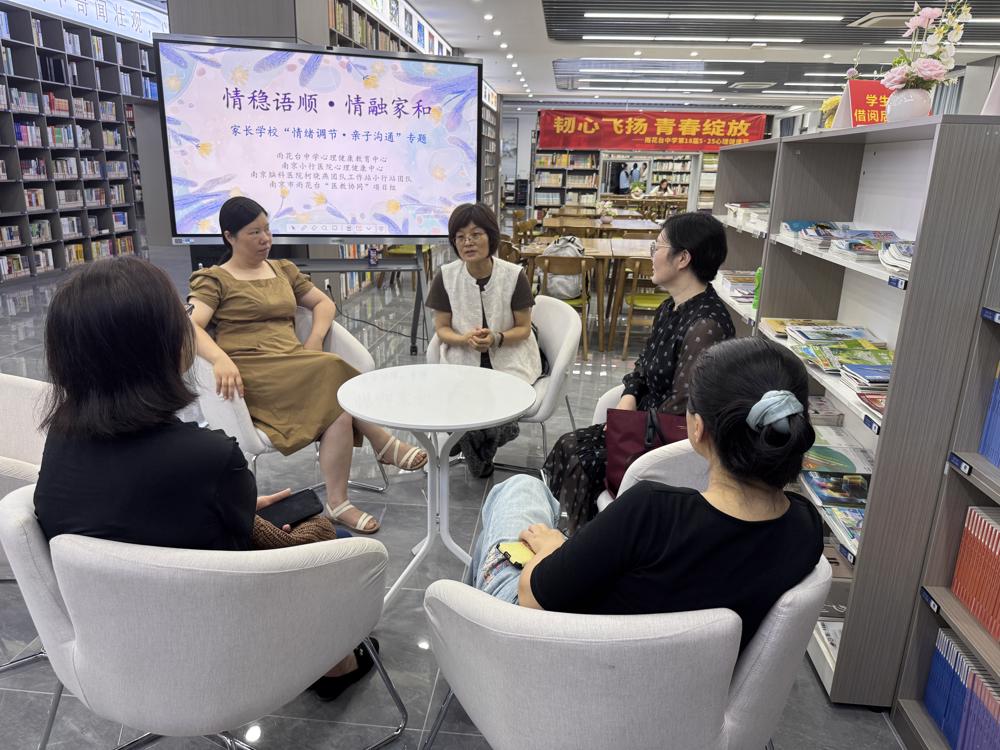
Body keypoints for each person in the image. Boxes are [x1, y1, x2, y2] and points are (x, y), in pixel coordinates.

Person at [33, 256, 378, 701]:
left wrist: (223, 506)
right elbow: (242, 562)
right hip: (224, 655)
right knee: (338, 540)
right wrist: (245, 512)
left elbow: (130, 513)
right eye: (179, 314)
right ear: (157, 344)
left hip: (113, 653)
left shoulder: (60, 443)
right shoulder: (209, 457)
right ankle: (336, 666)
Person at [468, 337, 824, 651]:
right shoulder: (805, 527)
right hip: (687, 690)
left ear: (697, 429)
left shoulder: (652, 513)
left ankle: (473, 647)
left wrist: (554, 549)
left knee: (520, 489)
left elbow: (530, 598)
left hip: (558, 652)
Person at [188, 197, 428, 535]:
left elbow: (323, 303)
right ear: (229, 236)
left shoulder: (283, 269)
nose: (265, 239)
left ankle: (338, 502)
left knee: (340, 409)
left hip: (296, 363)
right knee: (333, 370)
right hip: (254, 373)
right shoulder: (214, 279)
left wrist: (314, 339)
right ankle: (384, 443)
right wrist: (219, 358)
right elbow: (191, 326)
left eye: (267, 230)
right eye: (254, 232)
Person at [544, 212, 736, 531]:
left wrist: (629, 426)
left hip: (667, 440)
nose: (651, 255)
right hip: (644, 425)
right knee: (568, 446)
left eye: (657, 246)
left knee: (581, 459)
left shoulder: (706, 325)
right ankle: (578, 536)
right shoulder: (671, 307)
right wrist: (629, 397)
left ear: (683, 258)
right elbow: (644, 365)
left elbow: (684, 407)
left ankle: (592, 543)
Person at [425, 202, 542, 477]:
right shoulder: (446, 276)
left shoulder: (513, 275)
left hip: (510, 357)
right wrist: (463, 339)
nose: (468, 242)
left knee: (490, 407)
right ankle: (484, 444)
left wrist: (497, 337)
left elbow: (524, 328)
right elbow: (442, 328)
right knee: (466, 401)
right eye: (460, 237)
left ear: (491, 236)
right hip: (462, 358)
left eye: (476, 234)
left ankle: (465, 441)